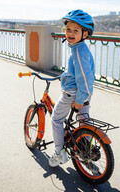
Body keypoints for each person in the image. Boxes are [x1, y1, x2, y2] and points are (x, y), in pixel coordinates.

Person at [49, 9, 95, 167]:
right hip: (84, 94)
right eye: (68, 29)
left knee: (56, 119)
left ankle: (59, 154)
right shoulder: (80, 49)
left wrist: (80, 99)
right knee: (84, 122)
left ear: (85, 34)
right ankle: (86, 150)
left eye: (76, 30)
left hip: (73, 94)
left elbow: (84, 77)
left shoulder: (78, 52)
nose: (70, 33)